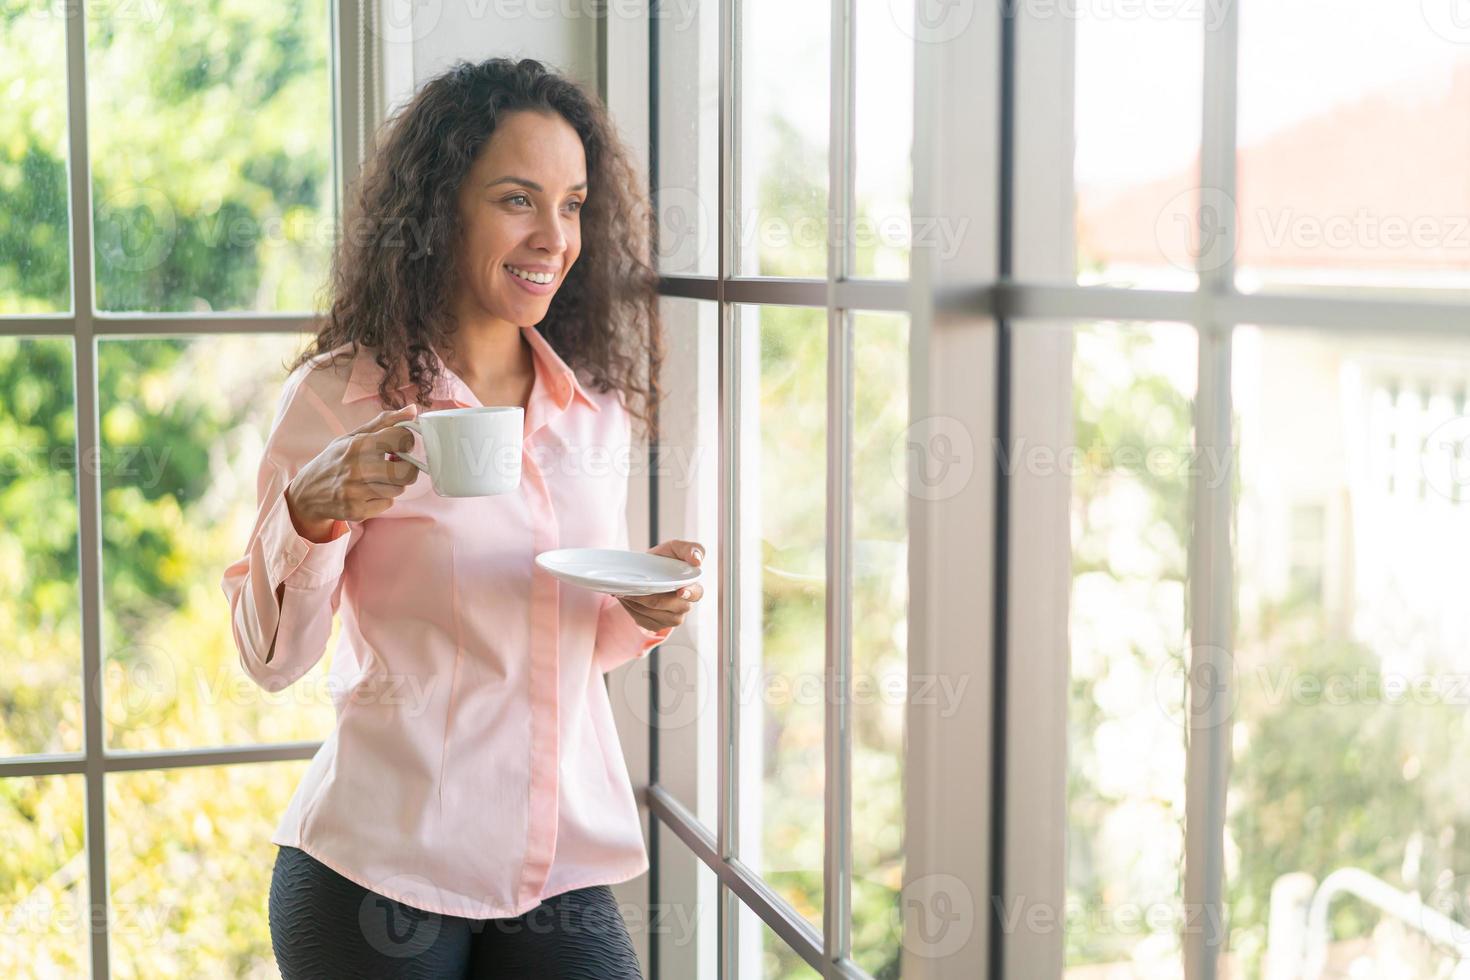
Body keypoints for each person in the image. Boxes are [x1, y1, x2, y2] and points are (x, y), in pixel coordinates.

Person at [220, 56, 704, 979]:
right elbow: (270, 662)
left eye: (572, 204)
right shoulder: (343, 397)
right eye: (519, 199)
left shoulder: (592, 408)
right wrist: (311, 514)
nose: (554, 237)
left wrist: (637, 610)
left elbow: (557, 634)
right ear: (441, 208)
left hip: (552, 861)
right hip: (378, 864)